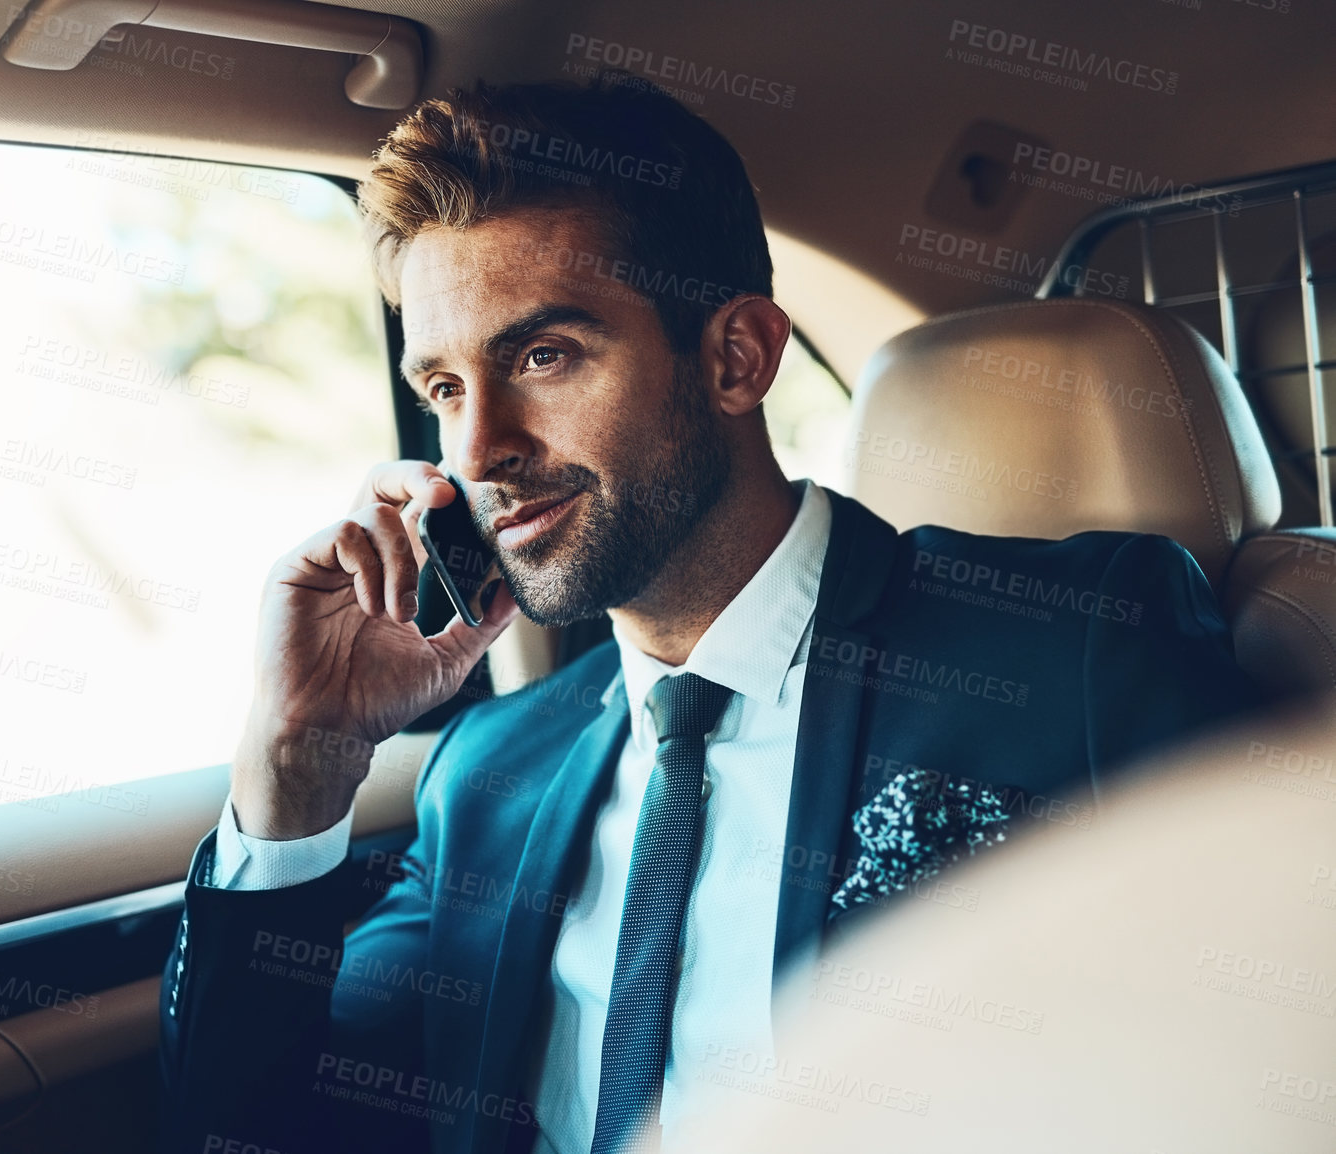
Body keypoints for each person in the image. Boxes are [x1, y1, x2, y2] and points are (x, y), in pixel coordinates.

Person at [157, 73, 1259, 1154]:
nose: (478, 448)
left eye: (544, 355)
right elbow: (262, 1126)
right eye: (443, 387)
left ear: (737, 356)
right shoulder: (491, 768)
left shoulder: (1073, 649)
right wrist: (295, 762)